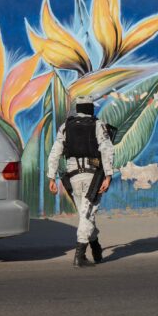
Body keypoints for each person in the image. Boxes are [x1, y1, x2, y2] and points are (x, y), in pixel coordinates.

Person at [47, 95, 114, 268]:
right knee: (87, 214)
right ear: (91, 108)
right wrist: (108, 175)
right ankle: (80, 256)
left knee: (86, 213)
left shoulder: (66, 126)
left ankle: (96, 246)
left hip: (73, 177)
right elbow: (106, 150)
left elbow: (55, 152)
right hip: (93, 176)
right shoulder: (98, 125)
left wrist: (51, 177)